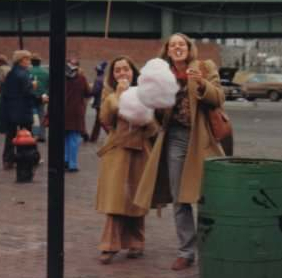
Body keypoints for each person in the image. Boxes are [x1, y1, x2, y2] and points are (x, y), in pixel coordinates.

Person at [133, 33, 225, 271]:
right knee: (179, 197)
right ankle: (186, 251)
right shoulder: (162, 76)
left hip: (200, 139)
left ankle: (213, 247)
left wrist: (203, 84)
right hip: (174, 138)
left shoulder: (205, 67)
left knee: (207, 195)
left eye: (181, 44)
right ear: (167, 50)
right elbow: (154, 112)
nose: (177, 47)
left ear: (188, 48)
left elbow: (219, 98)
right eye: (173, 45)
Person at [95, 56, 158, 264]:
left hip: (141, 150)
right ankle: (109, 246)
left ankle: (136, 242)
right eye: (117, 70)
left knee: (136, 198)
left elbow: (154, 128)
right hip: (117, 150)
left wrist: (145, 119)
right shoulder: (109, 93)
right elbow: (105, 118)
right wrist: (119, 96)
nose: (122, 73)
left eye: (126, 69)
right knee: (115, 198)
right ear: (112, 75)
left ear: (134, 71)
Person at [1, 50, 37, 170]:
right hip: (23, 109)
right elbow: (27, 92)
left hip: (10, 109)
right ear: (22, 60)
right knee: (27, 135)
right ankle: (30, 157)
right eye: (27, 59)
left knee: (10, 136)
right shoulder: (23, 74)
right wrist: (34, 88)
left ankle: (8, 159)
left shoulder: (11, 74)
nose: (29, 62)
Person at [64, 58, 92, 172]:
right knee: (74, 138)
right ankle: (73, 164)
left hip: (63, 111)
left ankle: (64, 159)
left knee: (64, 137)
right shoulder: (81, 78)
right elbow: (88, 93)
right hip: (76, 112)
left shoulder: (61, 77)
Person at [29, 53, 49, 142]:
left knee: (30, 116)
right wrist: (45, 94)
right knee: (41, 116)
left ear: (31, 62)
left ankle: (31, 134)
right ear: (40, 62)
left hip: (31, 96)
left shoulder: (28, 71)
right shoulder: (46, 73)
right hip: (42, 97)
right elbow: (50, 86)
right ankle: (41, 135)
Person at [89, 61, 107, 143]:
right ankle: (93, 137)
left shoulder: (98, 80)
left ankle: (111, 135)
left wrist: (90, 90)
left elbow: (95, 91)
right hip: (103, 102)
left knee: (100, 121)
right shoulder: (104, 78)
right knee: (99, 121)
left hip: (99, 102)